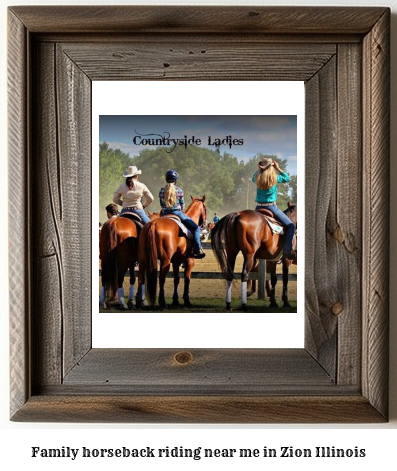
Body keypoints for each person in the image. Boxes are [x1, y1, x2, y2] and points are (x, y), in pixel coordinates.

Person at [252, 158, 296, 260]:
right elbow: (287, 178)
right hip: (271, 207)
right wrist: (278, 168)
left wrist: (260, 169)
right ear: (271, 167)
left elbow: (252, 178)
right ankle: (286, 251)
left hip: (258, 207)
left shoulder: (257, 178)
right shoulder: (275, 178)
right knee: (290, 226)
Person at [159, 169, 206, 259]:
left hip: (164, 214)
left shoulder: (161, 190)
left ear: (166, 179)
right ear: (175, 180)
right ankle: (197, 250)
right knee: (196, 228)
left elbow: (161, 204)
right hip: (177, 213)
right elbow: (182, 205)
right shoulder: (179, 190)